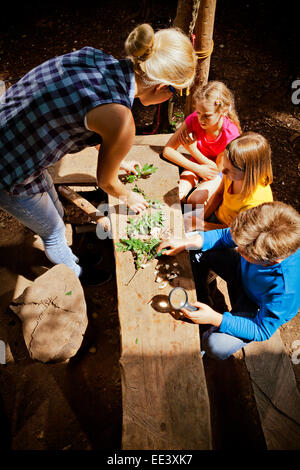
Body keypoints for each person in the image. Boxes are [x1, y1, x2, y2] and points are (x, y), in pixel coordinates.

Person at [0, 24, 197, 283]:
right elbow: (106, 182)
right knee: (54, 232)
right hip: (10, 170)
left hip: (12, 135)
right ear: (161, 87)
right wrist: (128, 196)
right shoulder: (120, 119)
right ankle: (77, 274)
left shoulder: (94, 57)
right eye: (176, 92)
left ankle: (72, 256)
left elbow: (81, 114)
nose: (173, 99)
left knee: (55, 211)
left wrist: (117, 156)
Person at [157, 202, 300, 360]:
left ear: (272, 261)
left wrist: (216, 319)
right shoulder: (261, 228)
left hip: (253, 305)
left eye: (243, 250)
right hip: (241, 271)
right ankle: (203, 296)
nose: (236, 248)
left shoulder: (286, 292)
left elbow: (261, 330)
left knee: (215, 346)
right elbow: (226, 236)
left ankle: (206, 328)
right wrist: (187, 242)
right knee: (196, 243)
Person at [162, 80, 241, 204]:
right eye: (199, 113)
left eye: (207, 115)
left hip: (219, 174)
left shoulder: (230, 134)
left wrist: (192, 150)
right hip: (197, 165)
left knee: (195, 200)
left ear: (223, 112)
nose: (201, 119)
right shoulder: (193, 119)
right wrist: (197, 168)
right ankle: (179, 220)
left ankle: (192, 222)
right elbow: (168, 151)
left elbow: (217, 169)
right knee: (177, 195)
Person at [183, 131, 274, 232]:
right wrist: (200, 219)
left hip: (230, 236)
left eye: (230, 170)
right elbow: (218, 195)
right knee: (180, 220)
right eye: (224, 166)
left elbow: (235, 233)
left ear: (249, 172)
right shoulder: (232, 174)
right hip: (217, 218)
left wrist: (200, 225)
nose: (223, 172)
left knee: (186, 242)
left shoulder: (255, 203)